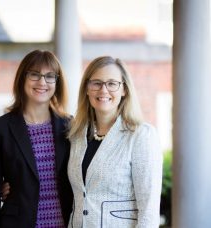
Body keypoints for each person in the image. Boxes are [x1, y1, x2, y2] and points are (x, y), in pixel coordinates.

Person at [67, 56, 163, 228]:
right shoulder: (76, 134)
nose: (103, 90)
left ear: (124, 90)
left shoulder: (140, 135)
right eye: (96, 83)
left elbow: (149, 209)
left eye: (112, 83)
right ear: (87, 89)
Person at [0, 50, 73, 228]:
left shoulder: (71, 126)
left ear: (57, 82)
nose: (42, 82)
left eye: (50, 76)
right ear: (22, 78)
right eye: (34, 74)